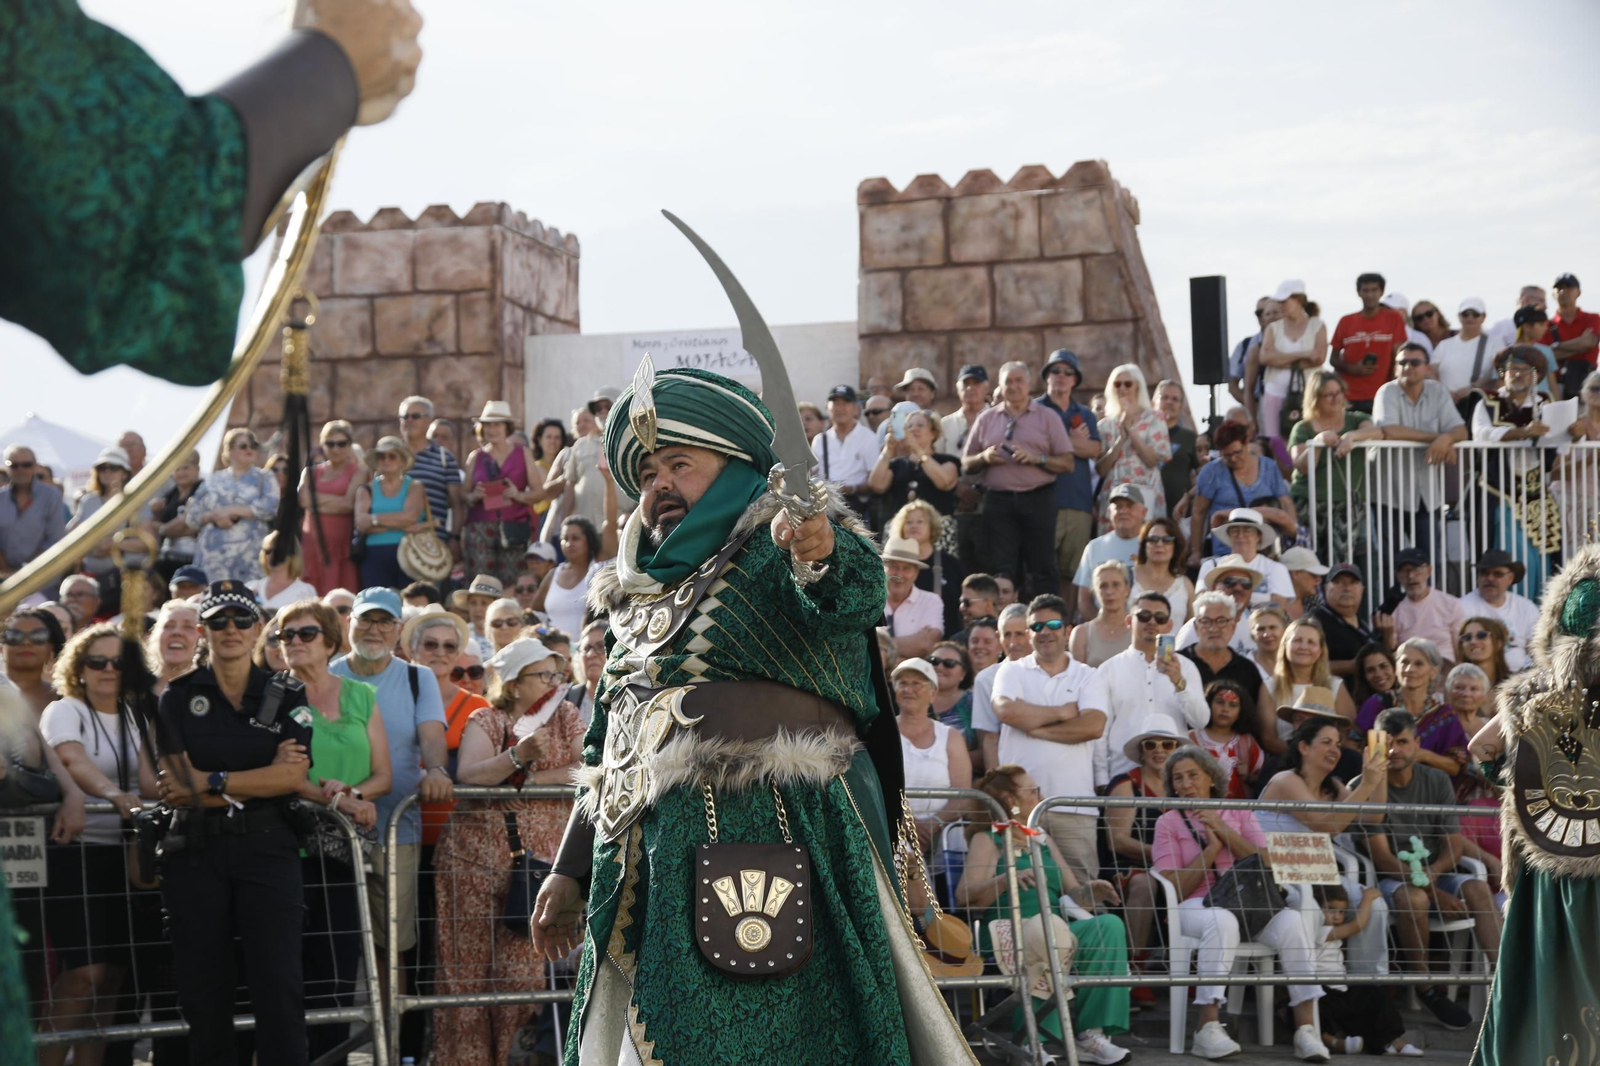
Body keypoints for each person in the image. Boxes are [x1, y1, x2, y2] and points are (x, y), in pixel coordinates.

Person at [529, 363, 974, 1062]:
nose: (660, 486)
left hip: (776, 829)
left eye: (679, 463)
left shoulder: (780, 540)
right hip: (644, 852)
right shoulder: (631, 595)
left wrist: (821, 548)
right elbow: (605, 741)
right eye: (646, 475)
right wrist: (570, 865)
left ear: (738, 466)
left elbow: (852, 597)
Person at [152, 581, 317, 1064]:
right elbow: (178, 785)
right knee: (204, 993)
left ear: (258, 629)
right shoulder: (177, 698)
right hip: (197, 854)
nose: (231, 630)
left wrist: (215, 779)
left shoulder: (286, 692)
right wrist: (257, 776)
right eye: (219, 621)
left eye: (242, 620)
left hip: (268, 848)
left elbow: (292, 776)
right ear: (203, 630)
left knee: (279, 986)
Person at [1465, 543, 1600, 1064]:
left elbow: (1481, 749)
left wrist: (1520, 780)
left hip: (1546, 864)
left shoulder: (1528, 694)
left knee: (1548, 992)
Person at [434, 637, 581, 1066]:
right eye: (544, 674)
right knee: (464, 976)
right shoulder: (487, 718)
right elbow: (469, 774)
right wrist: (516, 756)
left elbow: (583, 769)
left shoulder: (567, 715)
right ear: (515, 683)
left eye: (558, 673)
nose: (555, 682)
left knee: (521, 976)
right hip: (472, 862)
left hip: (537, 867)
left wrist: (532, 782)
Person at [1151, 745, 1328, 1062]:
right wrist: (1210, 851)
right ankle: (1207, 1028)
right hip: (1195, 906)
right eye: (1178, 778)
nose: (1186, 784)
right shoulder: (1167, 823)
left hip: (1249, 902)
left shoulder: (1238, 812)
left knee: (1293, 923)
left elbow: (1265, 860)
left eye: (1193, 775)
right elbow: (1174, 888)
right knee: (1221, 920)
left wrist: (1221, 829)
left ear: (1211, 778)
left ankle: (1306, 1030)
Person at [38, 624, 162, 1065]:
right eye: (98, 661)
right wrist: (113, 794)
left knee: (112, 977)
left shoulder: (136, 714)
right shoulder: (65, 710)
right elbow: (71, 759)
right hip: (78, 853)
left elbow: (151, 780)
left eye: (119, 661)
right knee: (84, 974)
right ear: (79, 667)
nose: (109, 669)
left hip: (127, 856)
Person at [274, 599, 391, 1064]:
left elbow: (382, 775)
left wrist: (355, 794)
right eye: (286, 636)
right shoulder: (273, 695)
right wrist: (335, 798)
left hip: (343, 853)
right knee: (287, 974)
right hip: (285, 849)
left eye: (305, 634)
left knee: (339, 975)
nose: (295, 643)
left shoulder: (361, 696)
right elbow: (274, 771)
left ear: (329, 641)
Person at [956, 766, 1132, 1066]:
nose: (1041, 796)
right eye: (1033, 791)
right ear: (1011, 799)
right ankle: (1031, 1040)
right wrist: (1008, 877)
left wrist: (1091, 892)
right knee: (1046, 932)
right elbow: (965, 897)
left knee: (1109, 926)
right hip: (1006, 931)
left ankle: (1090, 1035)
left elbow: (1073, 894)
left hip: (1054, 928)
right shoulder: (988, 839)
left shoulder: (1041, 838)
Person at [329, 587, 454, 992]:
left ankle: (391, 1047)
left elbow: (432, 734)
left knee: (391, 950)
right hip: (327, 833)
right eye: (366, 618)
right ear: (350, 622)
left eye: (384, 621)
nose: (374, 629)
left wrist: (435, 769)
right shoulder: (326, 674)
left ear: (399, 629)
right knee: (333, 948)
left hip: (396, 830)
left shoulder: (418, 678)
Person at [1350, 709, 1499, 1031]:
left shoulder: (1435, 779)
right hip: (1388, 880)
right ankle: (1426, 986)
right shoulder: (1363, 786)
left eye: (1402, 742)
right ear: (1372, 745)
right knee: (1415, 899)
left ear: (1417, 743)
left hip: (1434, 871)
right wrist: (1432, 891)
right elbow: (1382, 860)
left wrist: (1434, 877)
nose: (1394, 751)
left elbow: (1454, 845)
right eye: (1385, 743)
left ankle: (1505, 981)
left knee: (1477, 888)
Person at [1256, 715, 1391, 976]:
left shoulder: (1333, 787)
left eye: (1338, 744)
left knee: (1374, 905)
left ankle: (1368, 984)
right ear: (1303, 747)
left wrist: (1379, 772)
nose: (1335, 750)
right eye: (1326, 742)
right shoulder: (1286, 781)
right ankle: (1309, 987)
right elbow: (1327, 825)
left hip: (1316, 876)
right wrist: (1367, 783)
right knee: (1309, 906)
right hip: (1277, 878)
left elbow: (1372, 816)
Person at [992, 593, 1105, 887]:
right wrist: (1063, 712)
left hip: (1073, 807)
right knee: (1023, 898)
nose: (1045, 632)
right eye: (1037, 626)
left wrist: (1038, 728)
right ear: (1029, 633)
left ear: (1068, 629)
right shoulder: (1011, 669)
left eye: (1053, 624)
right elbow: (1006, 711)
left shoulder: (1088, 676)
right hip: (1019, 809)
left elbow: (1093, 726)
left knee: (1083, 895)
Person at [963, 360, 1074, 599]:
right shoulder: (986, 419)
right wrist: (984, 457)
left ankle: (1048, 621)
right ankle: (1004, 624)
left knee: (1043, 567)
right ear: (1000, 387)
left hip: (1038, 499)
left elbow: (1067, 462)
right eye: (1008, 382)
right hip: (999, 502)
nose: (1013, 386)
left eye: (1018, 380)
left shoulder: (1047, 417)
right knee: (1003, 569)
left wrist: (1038, 459)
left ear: (1029, 384)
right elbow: (966, 464)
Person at [1083, 591, 1208, 786]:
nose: (1151, 622)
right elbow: (1101, 731)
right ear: (1129, 621)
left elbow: (1201, 721)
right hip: (1122, 778)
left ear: (1169, 625)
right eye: (1143, 616)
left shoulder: (1186, 667)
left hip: (1174, 780)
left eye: (1159, 618)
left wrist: (1179, 683)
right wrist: (1101, 779)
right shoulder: (1108, 670)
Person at [1469, 346, 1561, 599]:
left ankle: (1537, 616)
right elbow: (1482, 434)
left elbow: (1559, 441)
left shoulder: (1545, 403)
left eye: (1525, 370)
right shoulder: (1486, 401)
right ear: (1502, 373)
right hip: (1500, 491)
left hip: (1536, 493)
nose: (1518, 374)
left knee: (1542, 559)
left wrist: (1572, 432)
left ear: (1536, 376)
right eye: (1513, 369)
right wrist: (1524, 433)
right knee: (1508, 555)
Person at [1371, 343, 1467, 564]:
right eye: (1402, 362)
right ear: (1395, 368)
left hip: (1427, 494)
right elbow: (1390, 430)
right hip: (1389, 492)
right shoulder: (1387, 391)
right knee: (1391, 563)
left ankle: (1432, 600)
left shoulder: (1437, 391)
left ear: (1427, 368)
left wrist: (1447, 438)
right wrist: (1439, 438)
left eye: (1415, 362)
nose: (1408, 367)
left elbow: (1461, 429)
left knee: (1430, 562)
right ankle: (1392, 600)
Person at [1103, 714, 1182, 958]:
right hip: (1128, 866)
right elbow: (1117, 840)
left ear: (1176, 750)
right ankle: (1135, 963)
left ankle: (1190, 964)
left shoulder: (1183, 786)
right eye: (1151, 744)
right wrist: (1165, 856)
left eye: (1167, 744)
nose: (1159, 751)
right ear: (1141, 751)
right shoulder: (1126, 785)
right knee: (1143, 883)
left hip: (1173, 866)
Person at [1309, 884, 1418, 1056]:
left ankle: (1391, 1041)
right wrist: (1367, 898)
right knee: (1311, 1006)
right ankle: (1335, 1043)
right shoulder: (1317, 931)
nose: (1337, 916)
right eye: (1331, 910)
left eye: (1342, 912)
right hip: (1323, 991)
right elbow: (1357, 925)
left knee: (1376, 995)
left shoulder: (1331, 930)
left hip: (1341, 990)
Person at [1287, 371, 1382, 564]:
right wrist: (1317, 443)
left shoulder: (1356, 419)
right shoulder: (1303, 428)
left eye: (1339, 392)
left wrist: (1351, 437)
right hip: (1310, 502)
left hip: (1346, 505)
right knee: (1309, 560)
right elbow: (1301, 466)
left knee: (1340, 562)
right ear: (1315, 398)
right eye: (1329, 394)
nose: (1336, 398)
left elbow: (1377, 432)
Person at [892, 657, 973, 863]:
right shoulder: (882, 733)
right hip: (894, 836)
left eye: (917, 683)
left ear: (933, 693)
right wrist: (909, 826)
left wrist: (931, 826)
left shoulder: (951, 737)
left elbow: (963, 795)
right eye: (903, 683)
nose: (909, 689)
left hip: (944, 838)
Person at [1037, 349, 1104, 600]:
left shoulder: (1085, 413)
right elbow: (1035, 448)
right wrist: (1073, 442)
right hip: (1043, 501)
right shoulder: (1035, 410)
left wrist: (1056, 442)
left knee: (1072, 574)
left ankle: (1064, 627)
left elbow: (1095, 449)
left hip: (1078, 503)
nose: (1061, 376)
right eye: (1056, 370)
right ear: (1047, 376)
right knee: (1041, 570)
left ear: (1075, 379)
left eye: (1068, 372)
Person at [462, 401, 549, 585]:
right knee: (480, 583)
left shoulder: (522, 453)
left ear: (506, 427)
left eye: (497, 424)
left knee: (512, 582)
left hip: (513, 529)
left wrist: (518, 495)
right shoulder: (475, 456)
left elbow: (539, 492)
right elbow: (463, 496)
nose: (492, 429)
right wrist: (474, 496)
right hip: (479, 530)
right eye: (487, 425)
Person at [1188, 421, 1295, 565]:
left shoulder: (1268, 467)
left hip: (1264, 551)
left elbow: (1285, 502)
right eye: (1226, 455)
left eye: (1237, 452)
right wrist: (1196, 551)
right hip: (1225, 552)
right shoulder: (1212, 472)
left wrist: (1295, 531)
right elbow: (1198, 512)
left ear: (1246, 444)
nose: (1232, 459)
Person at [185, 428, 279, 583]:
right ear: (229, 450)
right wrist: (214, 517)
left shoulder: (265, 477)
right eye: (244, 446)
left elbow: (270, 507)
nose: (249, 450)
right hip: (213, 560)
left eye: (253, 446)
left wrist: (231, 510)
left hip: (249, 559)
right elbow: (192, 516)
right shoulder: (213, 480)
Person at [1180, 592, 1274, 746]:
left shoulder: (1247, 670)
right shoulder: (1179, 664)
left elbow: (1253, 723)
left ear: (1233, 626)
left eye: (1221, 621)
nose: (1213, 628)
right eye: (1206, 621)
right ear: (1196, 626)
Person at [1249, 279, 1327, 448]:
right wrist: (1304, 354)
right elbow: (1265, 358)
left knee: (1311, 436)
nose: (1281, 305)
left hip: (1310, 394)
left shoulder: (1317, 325)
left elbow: (1319, 358)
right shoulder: (1273, 328)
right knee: (1276, 442)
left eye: (1285, 301)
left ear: (1298, 299)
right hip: (1274, 393)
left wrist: (1280, 358)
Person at [1095, 363, 1171, 529]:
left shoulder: (1154, 418)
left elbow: (1152, 460)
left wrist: (1130, 429)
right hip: (1114, 495)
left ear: (1138, 387)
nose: (1122, 388)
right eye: (1117, 384)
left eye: (1128, 383)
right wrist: (1120, 440)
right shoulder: (1104, 425)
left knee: (1146, 546)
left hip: (1146, 493)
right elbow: (1101, 469)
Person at [297, 419, 367, 595]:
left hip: (341, 548)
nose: (336, 449)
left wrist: (315, 502)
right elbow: (302, 500)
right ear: (323, 445)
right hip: (312, 547)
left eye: (342, 444)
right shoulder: (310, 472)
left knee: (342, 598)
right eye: (330, 443)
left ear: (350, 445)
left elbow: (349, 504)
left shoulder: (359, 471)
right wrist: (336, 500)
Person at [68, 445, 157, 584]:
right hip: (89, 575)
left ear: (125, 473)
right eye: (102, 468)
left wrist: (114, 544)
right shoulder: (88, 501)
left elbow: (148, 542)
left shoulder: (138, 503)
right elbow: (70, 535)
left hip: (125, 579)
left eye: (113, 467)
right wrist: (93, 544)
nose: (107, 472)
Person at [529, 511, 619, 645]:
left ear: (589, 539)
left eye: (575, 538)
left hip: (589, 650)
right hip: (555, 653)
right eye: (565, 538)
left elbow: (610, 524)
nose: (569, 543)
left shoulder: (599, 571)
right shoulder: (553, 574)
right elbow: (532, 614)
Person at [353, 434, 429, 590]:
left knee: (410, 603)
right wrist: (400, 525)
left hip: (411, 553)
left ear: (402, 460)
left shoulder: (415, 486)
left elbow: (410, 517)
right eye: (381, 456)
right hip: (374, 555)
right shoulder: (366, 489)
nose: (386, 460)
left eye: (392, 456)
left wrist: (373, 520)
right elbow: (361, 523)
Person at [1329, 273, 1410, 414]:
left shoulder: (1393, 318)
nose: (1370, 295)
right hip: (1348, 395)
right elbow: (1333, 358)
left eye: (1374, 290)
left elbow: (1398, 355)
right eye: (1365, 290)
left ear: (1381, 292)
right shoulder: (1346, 321)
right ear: (1359, 292)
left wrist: (1394, 390)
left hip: (1381, 394)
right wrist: (1352, 368)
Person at [1268, 619, 1356, 745]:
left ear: (1321, 650)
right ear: (1285, 646)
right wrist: (1302, 756)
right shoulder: (1270, 686)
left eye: (1311, 642)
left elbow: (1348, 731)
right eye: (1297, 641)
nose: (1304, 647)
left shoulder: (1335, 685)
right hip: (1284, 759)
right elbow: (1268, 739)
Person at [400, 397, 467, 558]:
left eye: (415, 416)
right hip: (393, 540)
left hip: (432, 542)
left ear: (429, 420)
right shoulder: (390, 456)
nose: (409, 420)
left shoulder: (445, 457)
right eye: (404, 416)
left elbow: (457, 503)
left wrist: (454, 538)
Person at [969, 604, 1031, 773]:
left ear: (1031, 634)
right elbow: (989, 740)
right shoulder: (986, 679)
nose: (1013, 643)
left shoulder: (1051, 672)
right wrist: (996, 788)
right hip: (1008, 772)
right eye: (1007, 635)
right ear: (999, 637)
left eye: (1019, 634)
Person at [1072, 484, 1145, 623]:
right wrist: (1104, 627)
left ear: (1144, 512)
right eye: (1118, 506)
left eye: (1130, 506)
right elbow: (1084, 600)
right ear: (1109, 512)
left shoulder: (1153, 546)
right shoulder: (1094, 546)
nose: (1123, 511)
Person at [867, 409, 960, 519]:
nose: (913, 429)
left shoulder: (947, 461)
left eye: (920, 425)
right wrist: (888, 450)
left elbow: (944, 483)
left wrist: (918, 450)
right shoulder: (897, 464)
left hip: (936, 527)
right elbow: (877, 486)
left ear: (933, 433)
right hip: (900, 528)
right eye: (909, 426)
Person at [1458, 550, 1540, 673]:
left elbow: (1538, 648)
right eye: (1484, 573)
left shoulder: (1526, 608)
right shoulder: (1462, 606)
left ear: (1510, 578)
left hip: (1520, 678)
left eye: (1497, 574)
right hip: (1478, 677)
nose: (1490, 578)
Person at [1196, 507, 1292, 607]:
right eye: (1235, 530)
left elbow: (1278, 605)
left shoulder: (1275, 568)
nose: (1240, 535)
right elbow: (1201, 600)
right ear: (1229, 535)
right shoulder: (1211, 565)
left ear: (1258, 536)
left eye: (1247, 530)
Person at [810, 384, 878, 519]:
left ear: (856, 408)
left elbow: (874, 481)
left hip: (858, 510)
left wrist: (852, 489)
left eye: (845, 403)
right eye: (835, 403)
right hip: (826, 508)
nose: (840, 408)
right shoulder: (820, 439)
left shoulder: (868, 437)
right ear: (827, 408)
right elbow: (812, 474)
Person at [1174, 556, 1263, 658]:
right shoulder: (1194, 629)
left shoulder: (1255, 626)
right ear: (1215, 587)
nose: (1238, 588)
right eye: (1230, 581)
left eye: (1245, 583)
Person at [1387, 548, 1465, 664]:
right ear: (1397, 576)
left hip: (1445, 667)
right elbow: (1391, 652)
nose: (1411, 576)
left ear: (1429, 571)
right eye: (1405, 571)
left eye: (1416, 570)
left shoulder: (1451, 604)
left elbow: (1460, 650)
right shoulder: (1393, 610)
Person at [0, 444, 67, 578]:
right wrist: (6, 570)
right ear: (7, 467)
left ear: (35, 466)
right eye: (14, 465)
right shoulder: (1, 497)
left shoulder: (52, 496)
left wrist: (25, 570)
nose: (20, 469)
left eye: (26, 464)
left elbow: (54, 539)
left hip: (42, 577)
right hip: (4, 579)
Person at [1191, 679, 1263, 798]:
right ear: (1207, 704)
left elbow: (1261, 779)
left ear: (1241, 711)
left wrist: (1248, 776)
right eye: (1219, 702)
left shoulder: (1247, 741)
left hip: (1239, 813)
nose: (1225, 709)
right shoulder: (1191, 739)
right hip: (1200, 811)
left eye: (1233, 705)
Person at [1434, 297, 1504, 410]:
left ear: (1483, 317)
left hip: (1478, 405)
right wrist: (1445, 392)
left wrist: (1473, 388)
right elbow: (1431, 372)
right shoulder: (1444, 345)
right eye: (1465, 314)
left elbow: (1495, 369)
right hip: (1445, 405)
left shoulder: (1495, 342)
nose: (1470, 318)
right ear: (1459, 316)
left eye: (1475, 314)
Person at [881, 535, 945, 659]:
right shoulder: (867, 600)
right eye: (893, 566)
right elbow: (859, 644)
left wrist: (879, 646)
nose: (899, 574)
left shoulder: (931, 601)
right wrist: (911, 643)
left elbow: (927, 645)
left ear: (916, 573)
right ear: (883, 568)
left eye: (906, 568)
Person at [1309, 563, 1375, 679]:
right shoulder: (1314, 622)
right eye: (1338, 582)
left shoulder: (1362, 624)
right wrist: (1349, 666)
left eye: (1353, 582)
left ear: (1362, 589)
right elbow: (1304, 664)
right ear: (1325, 589)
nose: (1347, 588)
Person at [151, 449, 206, 583]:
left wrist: (163, 529)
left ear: (197, 469)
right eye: (177, 469)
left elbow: (190, 524)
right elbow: (153, 523)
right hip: (166, 557)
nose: (181, 473)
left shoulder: (202, 490)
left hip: (191, 559)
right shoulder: (171, 494)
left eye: (186, 468)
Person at [1067, 559, 1132, 667]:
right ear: (1095, 591)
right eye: (1103, 586)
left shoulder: (1138, 630)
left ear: (1127, 589)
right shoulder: (1081, 634)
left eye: (1116, 585)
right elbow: (1077, 680)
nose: (1110, 592)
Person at [1130, 517, 1193, 627]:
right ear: (1144, 545)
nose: (1159, 544)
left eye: (1167, 540)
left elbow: (1192, 629)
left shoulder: (1185, 585)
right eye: (1153, 539)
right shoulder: (1127, 577)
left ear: (1175, 546)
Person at [1154, 379, 1201, 524]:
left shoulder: (1190, 437)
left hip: (1178, 513)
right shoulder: (1140, 434)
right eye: (1165, 397)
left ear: (1181, 406)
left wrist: (1188, 497)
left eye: (1175, 399)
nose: (1169, 402)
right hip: (1145, 509)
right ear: (1153, 401)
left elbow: (1202, 475)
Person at [3, 606, 65, 716]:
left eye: (38, 636)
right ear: (2, 646)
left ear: (50, 647)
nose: (26, 642)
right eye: (14, 636)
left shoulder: (68, 700)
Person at [1548, 272, 1600, 397]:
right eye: (1559, 288)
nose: (1563, 292)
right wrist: (1580, 345)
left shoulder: (1592, 318)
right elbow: (1547, 356)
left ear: (1579, 292)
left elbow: (1589, 342)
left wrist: (1556, 346)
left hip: (1588, 386)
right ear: (1553, 293)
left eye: (1569, 287)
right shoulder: (1546, 325)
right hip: (1558, 387)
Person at [928, 640, 977, 764]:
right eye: (934, 661)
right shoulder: (910, 697)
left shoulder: (975, 703)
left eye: (949, 663)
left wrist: (942, 762)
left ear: (963, 674)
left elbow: (987, 747)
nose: (939, 667)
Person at [247, 530, 318, 610]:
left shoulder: (306, 591)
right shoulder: (249, 587)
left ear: (293, 555)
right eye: (268, 551)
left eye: (278, 552)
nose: (272, 555)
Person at [145, 599, 200, 697]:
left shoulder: (216, 696)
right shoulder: (133, 693)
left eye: (188, 627)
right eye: (168, 626)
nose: (177, 632)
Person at [1455, 616, 1512, 690]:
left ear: (1499, 644)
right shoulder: (1455, 686)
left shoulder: (1514, 684)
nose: (1473, 642)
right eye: (1467, 637)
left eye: (1482, 635)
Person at [1348, 641, 1399, 713]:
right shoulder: (1365, 708)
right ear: (1363, 676)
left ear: (1394, 667)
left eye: (1383, 666)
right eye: (1370, 670)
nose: (1378, 674)